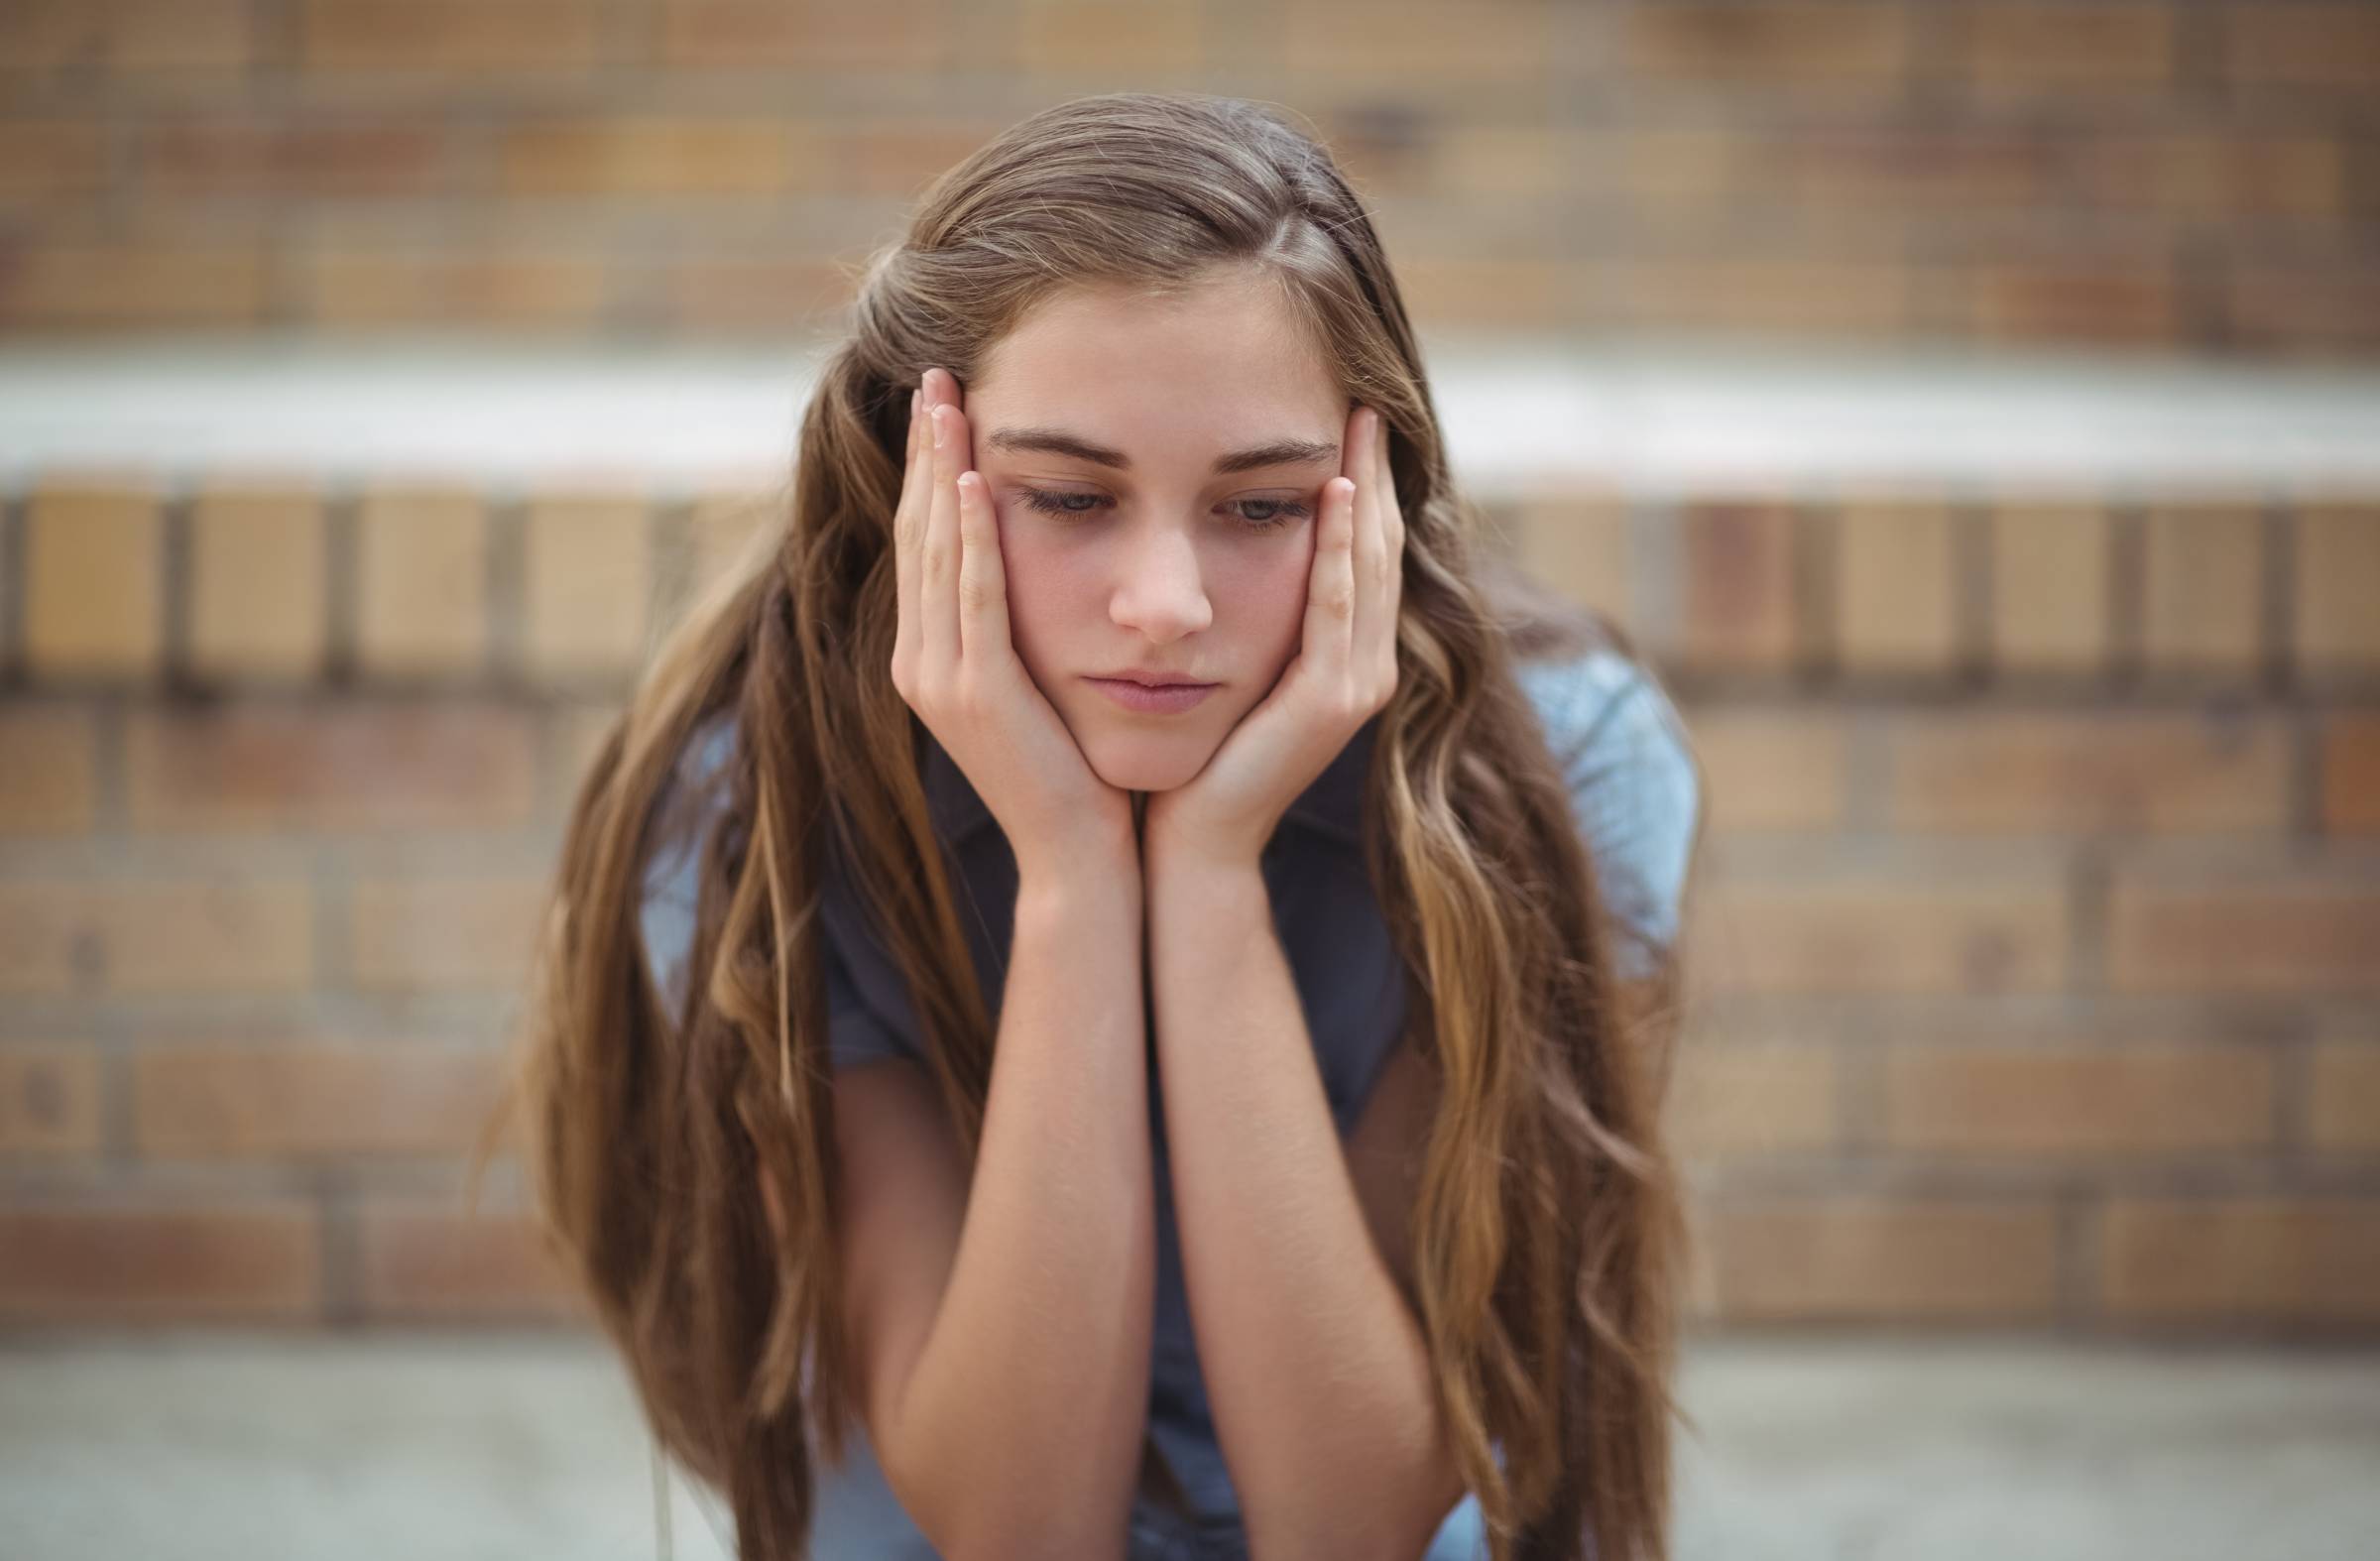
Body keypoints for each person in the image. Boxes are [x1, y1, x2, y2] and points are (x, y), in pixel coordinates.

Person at [486, 91, 1706, 1561]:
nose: (1165, 606)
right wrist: (1071, 871)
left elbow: (1349, 1528)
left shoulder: (1564, 772)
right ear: (914, 478)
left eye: (1261, 508)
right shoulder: (756, 795)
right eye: (1068, 496)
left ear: (1372, 500)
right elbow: (1020, 1532)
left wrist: (1208, 877)